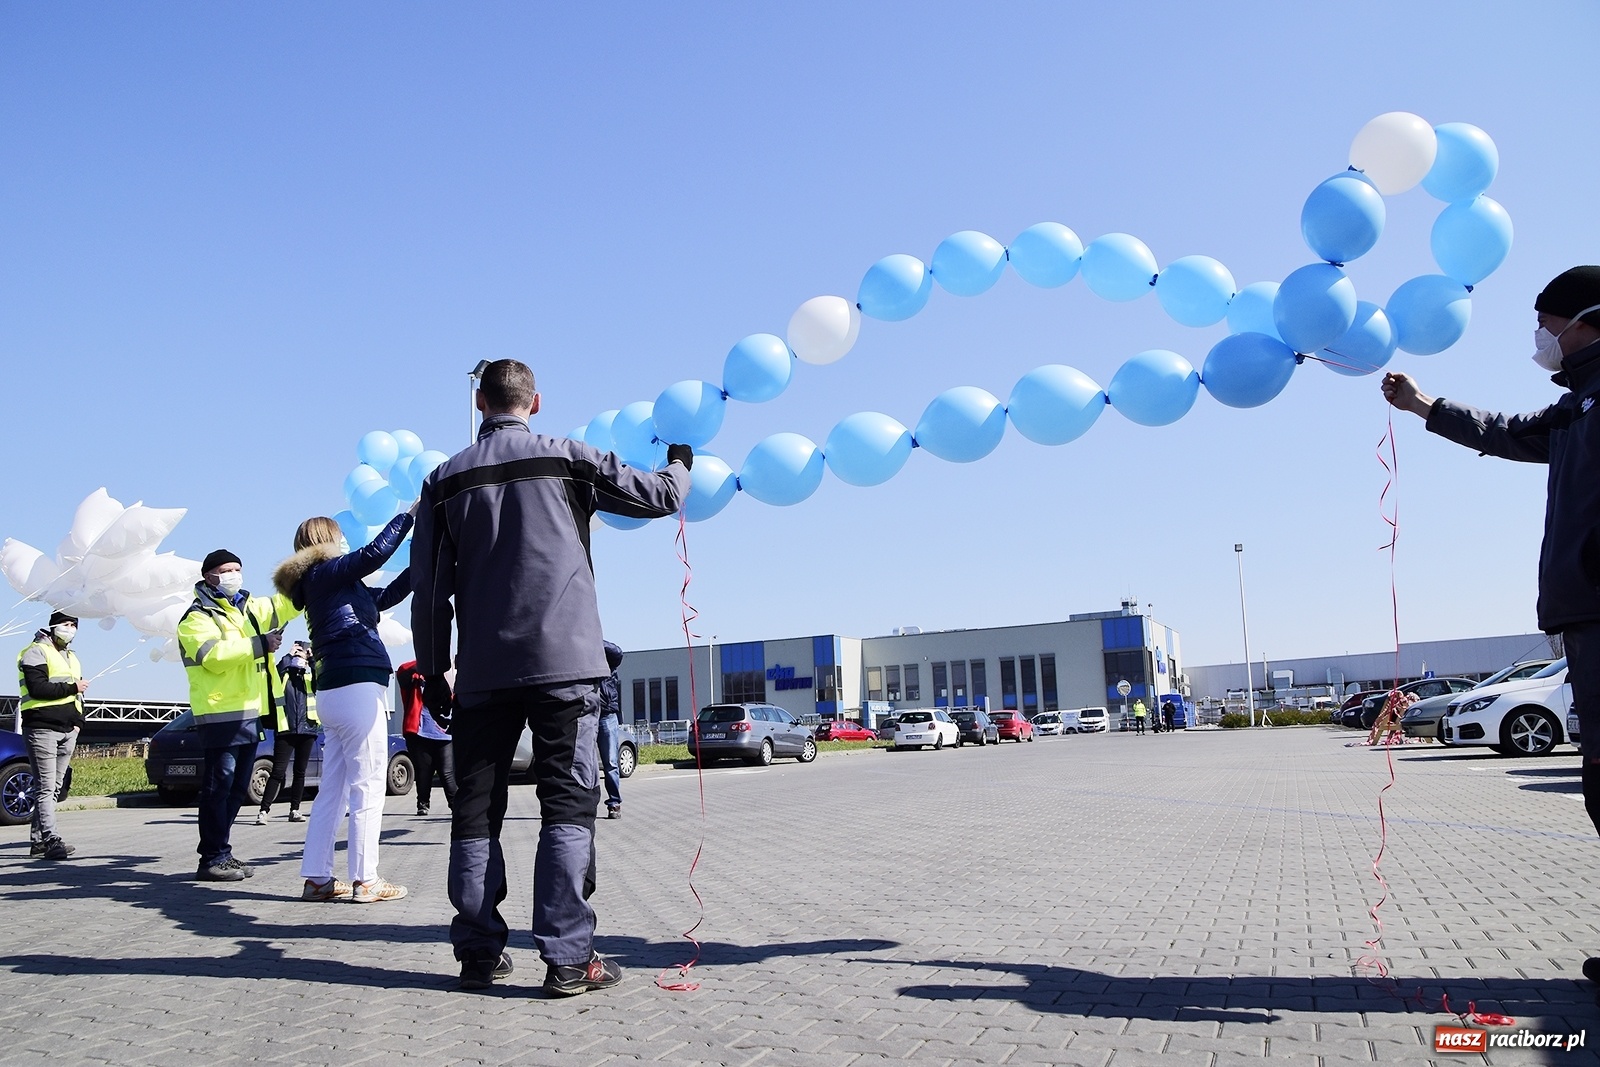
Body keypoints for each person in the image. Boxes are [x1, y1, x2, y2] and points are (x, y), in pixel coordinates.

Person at [410, 358, 690, 995]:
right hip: (567, 667)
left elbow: (428, 594)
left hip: (482, 673)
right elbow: (662, 498)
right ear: (535, 403)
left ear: (480, 402)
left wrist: (433, 672)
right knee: (567, 807)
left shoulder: (441, 481)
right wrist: (680, 461)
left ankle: (479, 954)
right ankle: (567, 958)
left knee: (475, 812)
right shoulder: (569, 458)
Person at [1381, 264, 1600, 996]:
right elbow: (1506, 434)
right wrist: (1424, 406)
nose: (1541, 336)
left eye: (1547, 321)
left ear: (1585, 319)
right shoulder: (1576, 407)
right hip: (1585, 616)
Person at [274, 508, 414, 903]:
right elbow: (373, 555)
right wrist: (409, 517)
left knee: (332, 790)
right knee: (368, 784)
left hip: (334, 692)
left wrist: (426, 560)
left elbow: (386, 596)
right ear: (325, 542)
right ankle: (366, 880)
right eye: (338, 537)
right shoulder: (324, 571)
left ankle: (317, 877)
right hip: (358, 685)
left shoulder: (329, 585)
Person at [177, 550, 300, 882]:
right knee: (219, 787)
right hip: (220, 713)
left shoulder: (251, 608)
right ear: (208, 576)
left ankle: (222, 852)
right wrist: (259, 644)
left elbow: (288, 603)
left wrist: (309, 569)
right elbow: (212, 655)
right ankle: (211, 858)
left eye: (237, 569)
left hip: (250, 712)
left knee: (235, 789)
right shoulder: (197, 617)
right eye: (224, 570)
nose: (233, 575)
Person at [17, 610, 87, 860]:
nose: (71, 629)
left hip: (68, 729)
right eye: (66, 624)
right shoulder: (36, 651)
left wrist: (79, 722)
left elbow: (79, 695)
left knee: (54, 788)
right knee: (45, 788)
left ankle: (38, 842)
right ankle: (51, 839)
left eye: (74, 624)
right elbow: (37, 688)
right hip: (42, 728)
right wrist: (72, 687)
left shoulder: (71, 656)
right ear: (54, 625)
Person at [256, 642, 319, 825]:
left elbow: (320, 682)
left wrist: (312, 659)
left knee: (300, 773)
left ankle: (295, 810)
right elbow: (274, 671)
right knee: (278, 771)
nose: (300, 658)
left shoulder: (309, 677)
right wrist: (289, 655)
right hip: (286, 730)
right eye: (297, 654)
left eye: (302, 654)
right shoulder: (283, 678)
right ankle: (263, 810)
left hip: (307, 731)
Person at [397, 659, 457, 817]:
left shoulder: (450, 678)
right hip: (419, 733)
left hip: (444, 732)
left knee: (447, 772)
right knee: (424, 771)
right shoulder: (414, 679)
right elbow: (402, 669)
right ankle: (423, 804)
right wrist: (431, 658)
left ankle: (456, 805)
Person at [597, 641, 625, 820]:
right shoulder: (579, 655)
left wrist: (594, 640)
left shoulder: (608, 659)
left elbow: (618, 652)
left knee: (611, 763)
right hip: (585, 714)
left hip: (606, 716)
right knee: (584, 763)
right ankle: (584, 805)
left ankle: (614, 803)